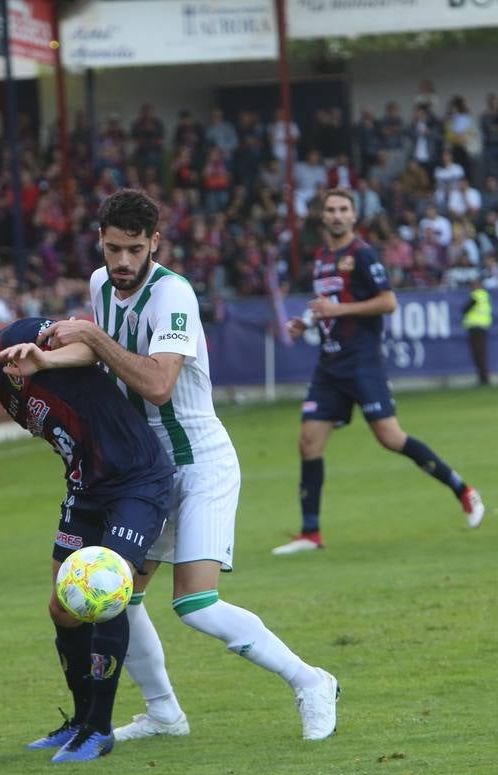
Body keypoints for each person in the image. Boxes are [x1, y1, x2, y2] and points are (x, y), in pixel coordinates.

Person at [43, 189, 340, 743]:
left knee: (195, 603)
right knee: (117, 595)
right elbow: (102, 352)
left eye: (135, 249)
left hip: (199, 461)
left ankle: (312, 680)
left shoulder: (174, 294)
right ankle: (163, 715)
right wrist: (49, 357)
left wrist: (89, 333)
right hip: (146, 468)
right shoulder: (100, 284)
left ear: (155, 242)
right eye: (113, 249)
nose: (123, 262)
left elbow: (158, 384)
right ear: (100, 242)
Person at [0, 310, 174, 763]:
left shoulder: (17, 338)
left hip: (135, 480)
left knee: (105, 592)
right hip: (86, 489)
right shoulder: (0, 386)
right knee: (63, 607)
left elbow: (93, 347)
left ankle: (99, 729)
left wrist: (47, 360)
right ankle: (80, 717)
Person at [274, 189, 486, 557]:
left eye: (343, 209)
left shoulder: (363, 254)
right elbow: (330, 304)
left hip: (362, 362)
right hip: (329, 364)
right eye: (330, 210)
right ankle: (311, 532)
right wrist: (306, 322)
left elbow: (388, 302)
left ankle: (463, 490)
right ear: (322, 217)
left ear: (354, 216)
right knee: (308, 441)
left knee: (390, 437)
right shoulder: (323, 258)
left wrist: (337, 312)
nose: (336, 215)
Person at [462, 277, 492, 386]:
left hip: (476, 329)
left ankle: (483, 379)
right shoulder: (485, 296)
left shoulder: (477, 296)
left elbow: (465, 309)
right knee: (481, 355)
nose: (472, 288)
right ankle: (483, 378)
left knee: (479, 355)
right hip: (482, 328)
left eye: (473, 285)